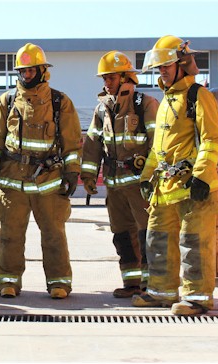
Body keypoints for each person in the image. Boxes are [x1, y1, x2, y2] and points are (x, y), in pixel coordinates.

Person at [0, 43, 82, 299]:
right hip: (13, 181)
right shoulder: (6, 101)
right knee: (10, 236)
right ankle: (9, 282)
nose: (26, 76)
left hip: (49, 181)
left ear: (42, 70)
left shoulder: (60, 102)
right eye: (22, 71)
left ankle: (58, 283)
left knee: (54, 235)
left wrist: (72, 172)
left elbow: (72, 142)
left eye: (30, 71)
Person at [132, 35, 218, 315]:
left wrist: (202, 177)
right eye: (159, 68)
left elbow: (211, 139)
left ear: (183, 64)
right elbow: (158, 149)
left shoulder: (198, 96)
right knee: (157, 240)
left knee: (193, 243)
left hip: (194, 188)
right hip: (165, 188)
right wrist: (147, 177)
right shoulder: (167, 101)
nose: (162, 71)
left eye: (167, 66)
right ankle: (161, 292)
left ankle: (197, 298)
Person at [81, 51, 159, 298]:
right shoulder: (102, 109)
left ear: (126, 77)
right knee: (122, 235)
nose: (106, 83)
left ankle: (151, 284)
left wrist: (151, 178)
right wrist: (89, 176)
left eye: (111, 77)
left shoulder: (145, 104)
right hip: (114, 186)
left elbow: (157, 143)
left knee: (147, 233)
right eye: (104, 78)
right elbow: (93, 143)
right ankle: (132, 283)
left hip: (139, 185)